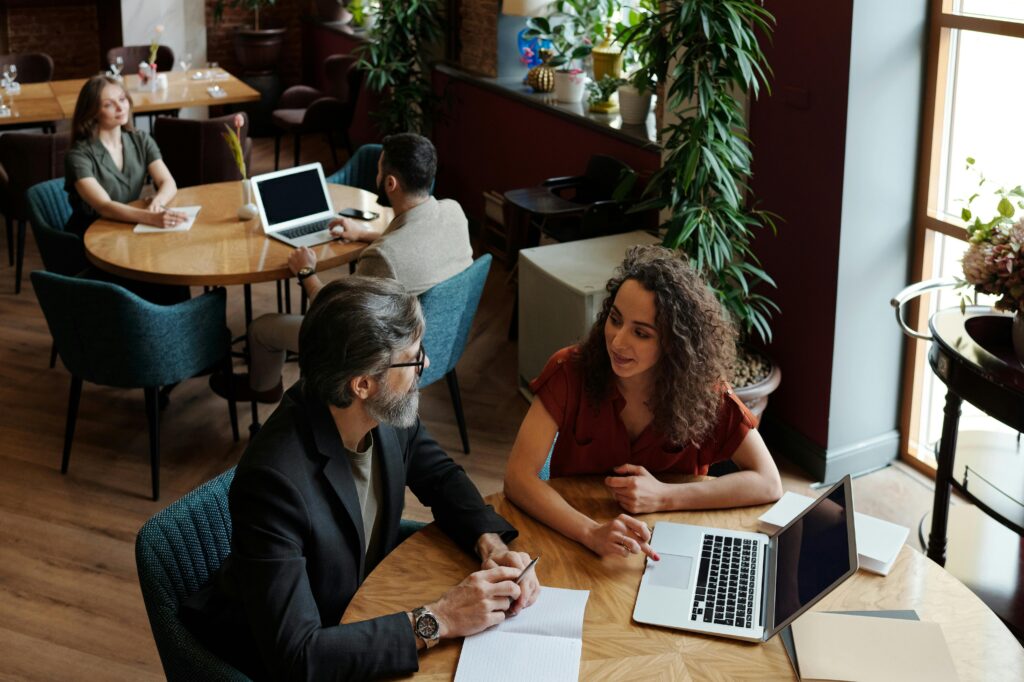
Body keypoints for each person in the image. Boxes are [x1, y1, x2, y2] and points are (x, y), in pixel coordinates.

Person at [182, 276, 540, 680]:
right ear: (363, 383)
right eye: (413, 357)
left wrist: (488, 542)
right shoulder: (273, 483)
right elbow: (297, 655)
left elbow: (440, 476)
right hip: (291, 653)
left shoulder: (383, 410)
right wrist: (438, 619)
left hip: (362, 609)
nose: (425, 363)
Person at [503, 245, 783, 560]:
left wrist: (665, 495)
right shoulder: (569, 369)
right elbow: (517, 477)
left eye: (641, 333)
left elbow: (769, 482)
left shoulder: (706, 393)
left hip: (671, 548)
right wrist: (590, 532)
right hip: (575, 539)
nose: (618, 341)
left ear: (675, 343)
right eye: (615, 319)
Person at [211, 132, 472, 404]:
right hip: (437, 347)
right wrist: (364, 233)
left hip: (379, 360)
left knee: (261, 329)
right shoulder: (454, 212)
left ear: (391, 183)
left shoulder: (384, 258)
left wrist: (306, 272)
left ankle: (263, 389)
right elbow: (417, 243)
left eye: (379, 171)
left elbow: (334, 315)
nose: (376, 177)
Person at [64, 74, 186, 238]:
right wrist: (151, 217)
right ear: (93, 112)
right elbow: (104, 206)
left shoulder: (140, 139)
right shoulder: (78, 155)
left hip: (125, 228)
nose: (120, 108)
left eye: (122, 99)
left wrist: (158, 203)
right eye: (109, 104)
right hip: (90, 236)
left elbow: (167, 182)